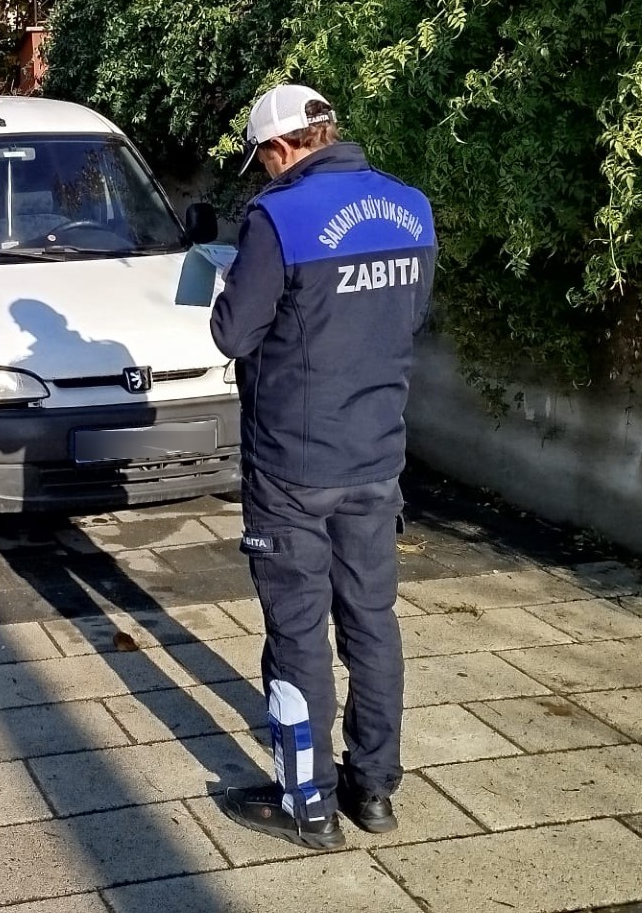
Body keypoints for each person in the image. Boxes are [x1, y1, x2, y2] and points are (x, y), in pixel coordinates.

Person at [208, 84, 436, 850]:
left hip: (293, 466)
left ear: (279, 151)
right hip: (377, 453)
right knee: (372, 621)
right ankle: (373, 792)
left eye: (263, 160)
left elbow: (233, 335)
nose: (264, 173)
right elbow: (407, 318)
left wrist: (225, 288)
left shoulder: (278, 215)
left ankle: (306, 805)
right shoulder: (412, 207)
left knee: (298, 629)